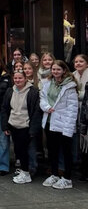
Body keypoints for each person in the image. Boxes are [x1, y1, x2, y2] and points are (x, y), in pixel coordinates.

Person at [40, 60, 78, 189]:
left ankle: (67, 178)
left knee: (66, 151)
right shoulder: (47, 83)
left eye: (58, 69)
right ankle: (55, 174)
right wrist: (46, 107)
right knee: (52, 150)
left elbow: (72, 109)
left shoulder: (70, 86)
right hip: (49, 121)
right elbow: (42, 98)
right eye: (53, 69)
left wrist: (69, 127)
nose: (55, 72)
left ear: (64, 70)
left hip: (64, 122)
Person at [1, 70, 42, 184]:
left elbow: (36, 112)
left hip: (26, 126)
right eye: (15, 78)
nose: (17, 80)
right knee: (18, 150)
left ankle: (27, 173)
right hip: (13, 124)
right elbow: (5, 108)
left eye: (20, 78)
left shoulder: (33, 92)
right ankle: (23, 171)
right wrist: (5, 126)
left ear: (25, 79)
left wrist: (33, 129)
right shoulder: (10, 91)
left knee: (25, 151)